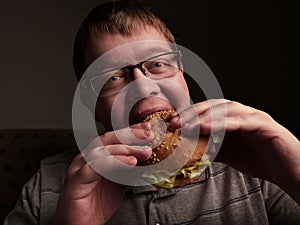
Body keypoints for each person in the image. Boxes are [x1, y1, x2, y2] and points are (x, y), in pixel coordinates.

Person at [4, 0, 300, 224]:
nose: (143, 88)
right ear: (90, 103)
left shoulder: (256, 165)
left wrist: (296, 173)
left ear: (182, 74)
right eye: (113, 77)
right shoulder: (48, 187)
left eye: (158, 64)